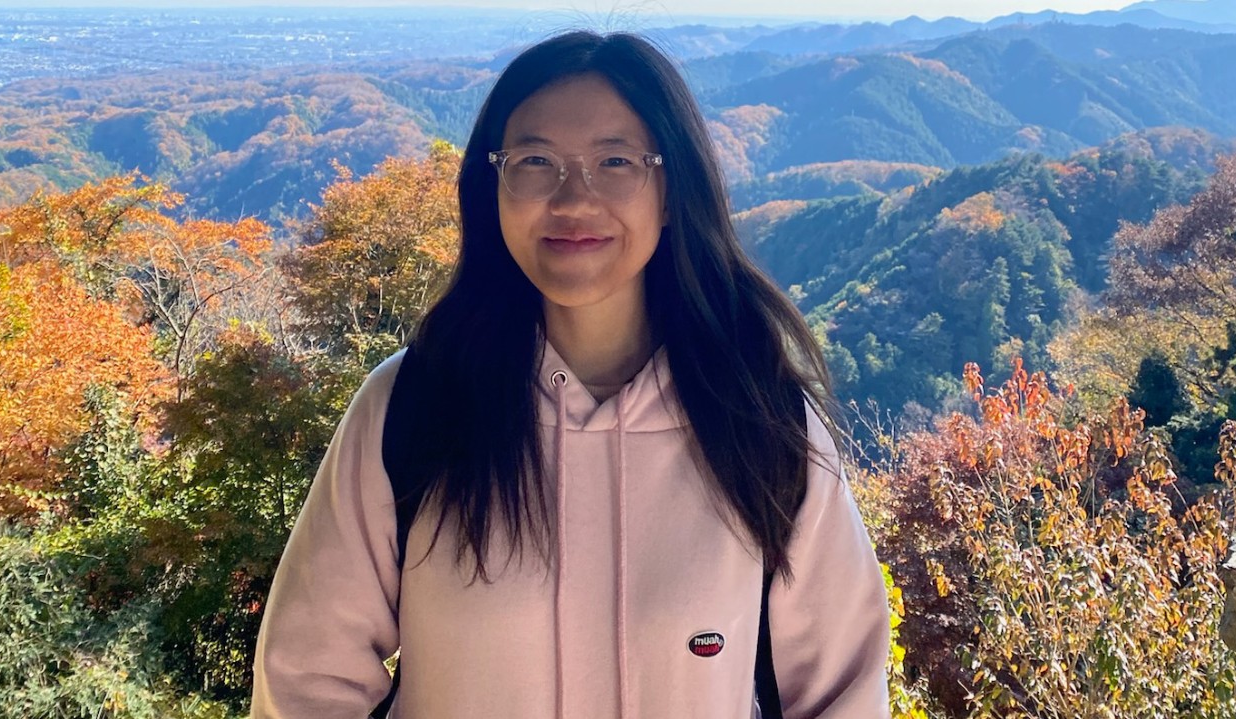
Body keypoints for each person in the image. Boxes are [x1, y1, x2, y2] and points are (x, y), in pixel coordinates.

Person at [251, 30, 890, 719]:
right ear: (492, 186)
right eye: (535, 161)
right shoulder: (416, 406)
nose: (573, 198)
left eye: (615, 161)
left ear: (672, 191)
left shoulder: (759, 421)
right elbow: (308, 680)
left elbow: (842, 693)